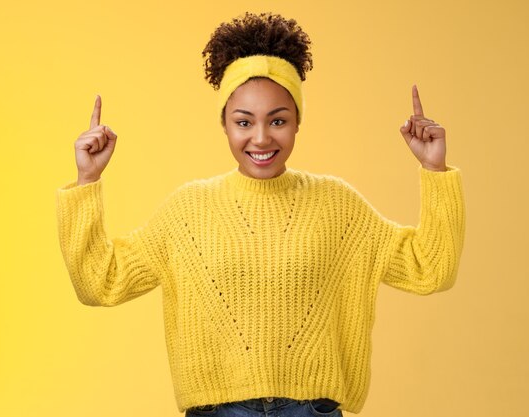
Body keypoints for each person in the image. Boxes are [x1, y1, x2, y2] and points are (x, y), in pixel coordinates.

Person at [56, 11, 465, 417]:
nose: (261, 137)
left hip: (312, 409)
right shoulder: (187, 211)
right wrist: (88, 178)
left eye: (278, 120)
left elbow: (429, 268)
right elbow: (101, 282)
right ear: (225, 125)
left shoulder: (339, 206)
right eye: (243, 122)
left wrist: (434, 169)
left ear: (297, 122)